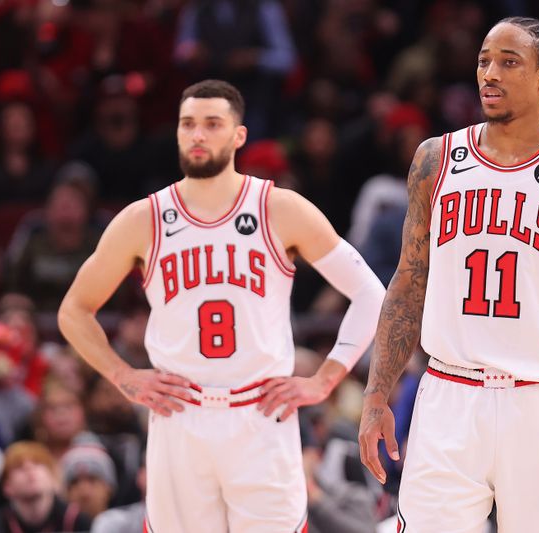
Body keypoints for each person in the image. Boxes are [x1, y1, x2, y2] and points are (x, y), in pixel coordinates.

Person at [358, 17, 539, 531]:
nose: (490, 74)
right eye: (483, 61)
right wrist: (375, 394)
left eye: (508, 62)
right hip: (450, 392)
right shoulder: (434, 160)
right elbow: (408, 284)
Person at [58, 79, 385, 532]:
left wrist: (326, 379)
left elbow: (371, 293)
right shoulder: (143, 220)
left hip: (260, 413)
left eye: (212, 124)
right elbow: (73, 311)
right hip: (180, 416)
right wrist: (123, 375)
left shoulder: (280, 209)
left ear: (238, 135)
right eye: (188, 124)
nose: (197, 134)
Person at [0, 441, 93, 533]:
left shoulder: (77, 521)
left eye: (37, 463)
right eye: (19, 466)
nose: (29, 469)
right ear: (7, 486)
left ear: (53, 477)